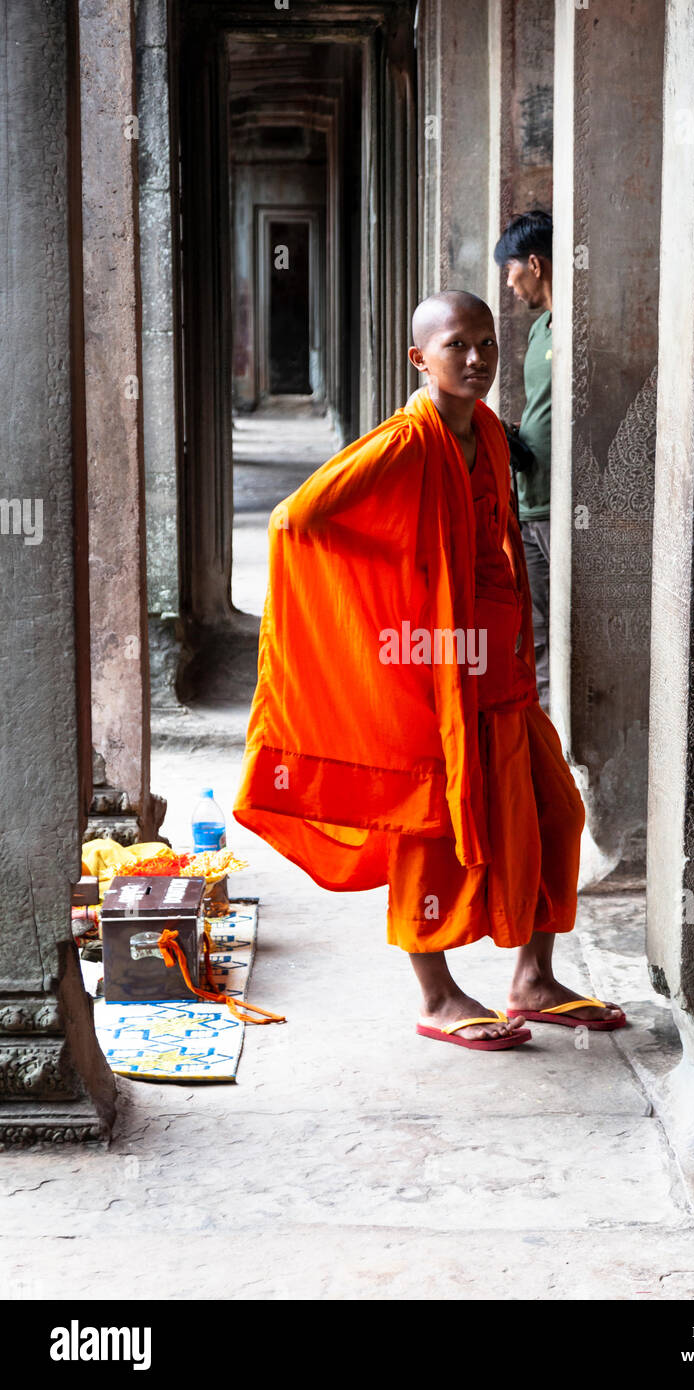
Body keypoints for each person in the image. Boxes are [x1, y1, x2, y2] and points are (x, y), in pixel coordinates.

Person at [234, 290, 625, 1049]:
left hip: (499, 667)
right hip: (436, 666)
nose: (477, 359)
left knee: (553, 813)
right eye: (457, 346)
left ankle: (532, 978)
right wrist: (392, 588)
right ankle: (437, 995)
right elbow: (299, 519)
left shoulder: (487, 431)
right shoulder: (407, 442)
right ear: (421, 358)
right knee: (433, 828)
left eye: (486, 343)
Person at [494, 210, 553, 711]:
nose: (510, 285)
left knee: (568, 623)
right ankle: (540, 736)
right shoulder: (540, 333)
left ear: (534, 264)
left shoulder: (575, 329)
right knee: (532, 629)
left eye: (510, 272)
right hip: (529, 497)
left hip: (564, 502)